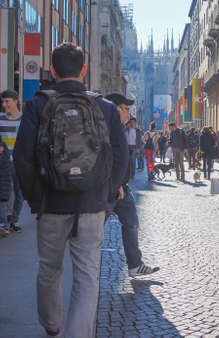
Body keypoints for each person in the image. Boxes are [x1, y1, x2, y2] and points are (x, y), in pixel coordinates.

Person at [14, 43, 128, 338]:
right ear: (84, 70)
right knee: (87, 276)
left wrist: (35, 198)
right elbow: (120, 155)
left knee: (49, 271)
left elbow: (22, 158)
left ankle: (52, 327)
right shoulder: (104, 107)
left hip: (51, 204)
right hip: (91, 205)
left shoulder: (37, 105)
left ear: (52, 71)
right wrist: (108, 195)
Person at [105, 93, 160, 277]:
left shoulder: (120, 127)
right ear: (116, 109)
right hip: (110, 188)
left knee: (131, 222)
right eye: (126, 108)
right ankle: (87, 268)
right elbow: (107, 159)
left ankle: (135, 265)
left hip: (121, 188)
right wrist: (116, 183)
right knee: (95, 232)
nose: (129, 112)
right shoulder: (107, 128)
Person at [0, 89, 24, 233]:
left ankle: (13, 220)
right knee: (5, 193)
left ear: (15, 101)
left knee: (19, 194)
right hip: (4, 163)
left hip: (20, 163)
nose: (4, 105)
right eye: (3, 102)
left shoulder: (25, 120)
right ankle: (4, 223)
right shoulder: (0, 119)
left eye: (7, 101)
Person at [0, 141, 12, 238]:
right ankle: (3, 226)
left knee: (2, 208)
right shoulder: (4, 158)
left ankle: (4, 227)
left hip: (2, 190)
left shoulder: (3, 159)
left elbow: (5, 178)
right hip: (3, 189)